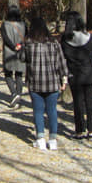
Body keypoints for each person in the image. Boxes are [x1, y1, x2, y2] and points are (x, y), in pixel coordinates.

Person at [24, 16, 68, 151]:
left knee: (38, 111)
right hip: (52, 82)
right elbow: (61, 62)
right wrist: (64, 79)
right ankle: (53, 140)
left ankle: (40, 138)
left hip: (35, 82)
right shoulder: (54, 43)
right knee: (52, 111)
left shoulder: (29, 43)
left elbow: (22, 60)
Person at [61, 11, 92, 139]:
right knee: (91, 103)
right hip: (91, 74)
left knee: (78, 104)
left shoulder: (65, 39)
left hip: (75, 75)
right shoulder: (90, 37)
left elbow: (63, 56)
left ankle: (79, 130)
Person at [1, 6, 26, 109]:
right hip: (21, 51)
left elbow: (5, 38)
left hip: (9, 52)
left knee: (8, 74)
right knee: (19, 74)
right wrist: (20, 45)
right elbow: (26, 36)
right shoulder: (23, 24)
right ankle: (19, 94)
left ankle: (14, 93)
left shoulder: (5, 24)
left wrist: (13, 46)